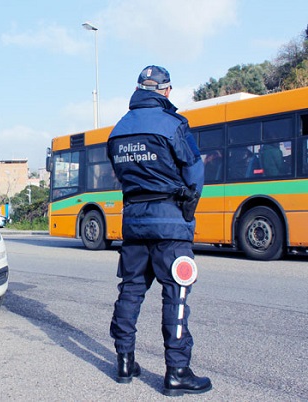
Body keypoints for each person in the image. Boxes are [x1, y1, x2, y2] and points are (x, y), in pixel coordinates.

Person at [106, 65, 212, 396]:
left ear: (139, 90)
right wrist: (185, 212)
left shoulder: (118, 131)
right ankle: (177, 372)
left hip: (134, 223)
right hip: (170, 223)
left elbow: (122, 178)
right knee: (176, 293)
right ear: (165, 91)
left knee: (132, 288)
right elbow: (194, 175)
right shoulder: (173, 125)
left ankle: (124, 361)